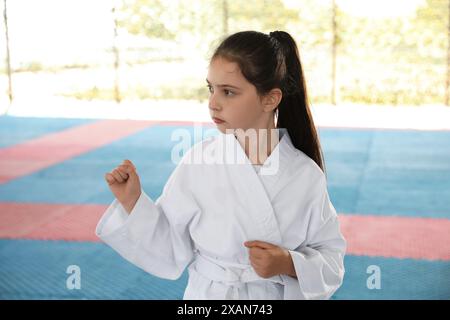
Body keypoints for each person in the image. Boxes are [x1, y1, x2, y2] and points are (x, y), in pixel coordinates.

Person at [96, 30, 346, 300]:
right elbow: (169, 246)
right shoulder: (199, 162)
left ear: (270, 99)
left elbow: (332, 259)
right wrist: (132, 201)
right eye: (211, 89)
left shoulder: (305, 174)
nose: (213, 103)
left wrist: (288, 263)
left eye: (228, 92)